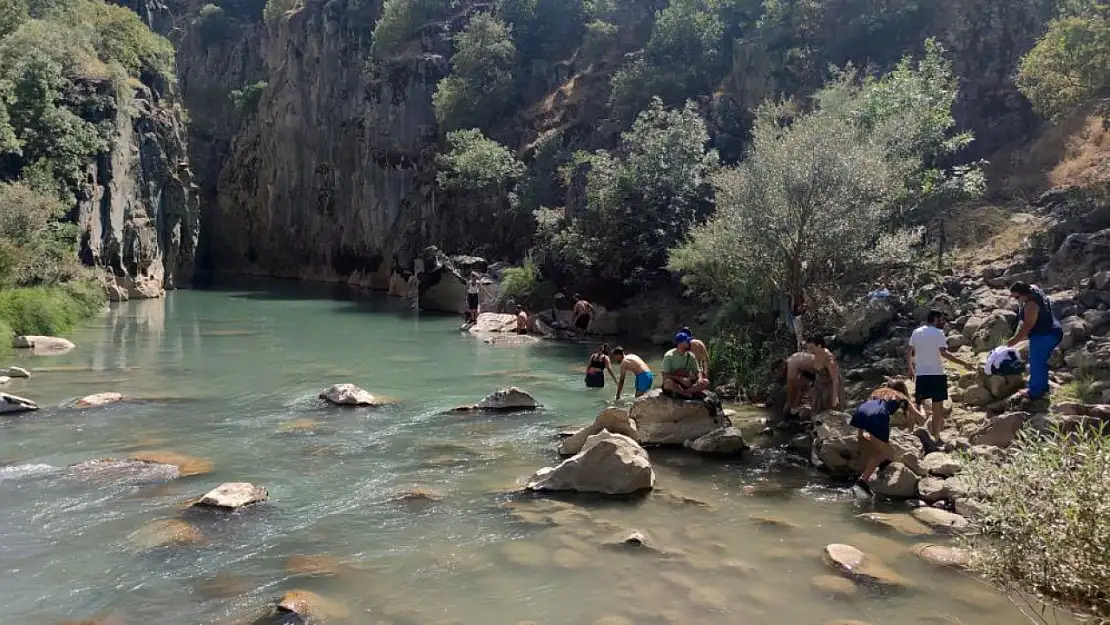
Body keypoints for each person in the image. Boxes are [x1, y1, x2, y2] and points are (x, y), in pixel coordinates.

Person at [907, 310, 974, 441]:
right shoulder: (939, 333)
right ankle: (936, 436)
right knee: (937, 406)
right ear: (935, 319)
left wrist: (910, 368)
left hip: (921, 374)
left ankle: (909, 433)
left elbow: (909, 350)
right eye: (941, 319)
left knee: (918, 404)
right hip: (936, 374)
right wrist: (964, 363)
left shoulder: (916, 332)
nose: (943, 322)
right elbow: (944, 354)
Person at [850, 380, 926, 496]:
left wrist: (860, 434)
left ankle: (879, 466)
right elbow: (921, 419)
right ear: (902, 389)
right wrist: (921, 406)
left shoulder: (878, 392)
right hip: (879, 416)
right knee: (888, 453)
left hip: (860, 411)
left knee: (879, 446)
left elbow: (868, 408)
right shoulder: (901, 396)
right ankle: (862, 481)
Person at [1007, 282, 1063, 401]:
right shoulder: (1034, 289)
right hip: (1053, 329)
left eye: (1017, 297)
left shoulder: (1031, 305)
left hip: (1045, 335)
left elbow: (1027, 326)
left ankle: (1034, 393)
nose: (1016, 300)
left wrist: (1013, 341)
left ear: (1025, 294)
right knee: (1040, 362)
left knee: (1036, 363)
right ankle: (1042, 387)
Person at [784, 334, 841, 415]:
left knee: (831, 412)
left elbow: (835, 380)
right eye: (808, 348)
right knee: (816, 409)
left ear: (819, 346)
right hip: (820, 384)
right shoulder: (816, 355)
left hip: (830, 386)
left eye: (811, 348)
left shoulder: (829, 359)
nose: (810, 351)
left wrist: (835, 397)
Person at [661, 332, 711, 399]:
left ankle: (683, 393)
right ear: (680, 344)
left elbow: (697, 371)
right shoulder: (669, 356)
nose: (689, 343)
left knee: (706, 382)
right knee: (668, 382)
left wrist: (700, 378)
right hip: (674, 382)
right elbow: (664, 375)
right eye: (687, 341)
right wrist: (680, 379)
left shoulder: (690, 355)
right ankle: (687, 394)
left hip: (686, 383)